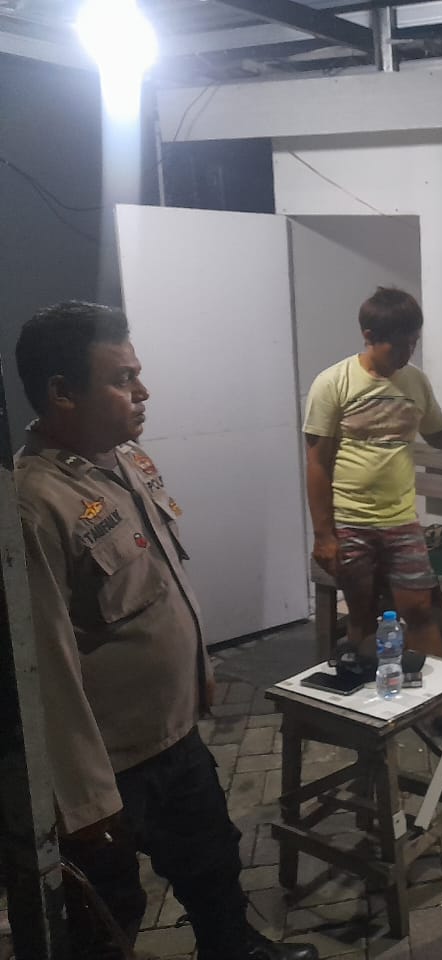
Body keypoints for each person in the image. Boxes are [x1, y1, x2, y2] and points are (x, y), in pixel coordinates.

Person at [13, 302, 318, 960]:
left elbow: (166, 581)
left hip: (174, 734)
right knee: (108, 912)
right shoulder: (36, 504)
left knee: (213, 862)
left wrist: (199, 667)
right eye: (123, 378)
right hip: (114, 761)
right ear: (63, 392)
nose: (143, 391)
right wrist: (85, 799)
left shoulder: (126, 461)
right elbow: (45, 665)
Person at [304, 287, 442, 660]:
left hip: (401, 521)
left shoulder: (415, 382)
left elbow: (438, 434)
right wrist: (323, 534)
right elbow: (317, 463)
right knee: (361, 615)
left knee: (419, 609)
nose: (407, 353)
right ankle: (368, 690)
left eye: (414, 343)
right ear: (369, 337)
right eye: (398, 345)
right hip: (351, 521)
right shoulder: (332, 383)